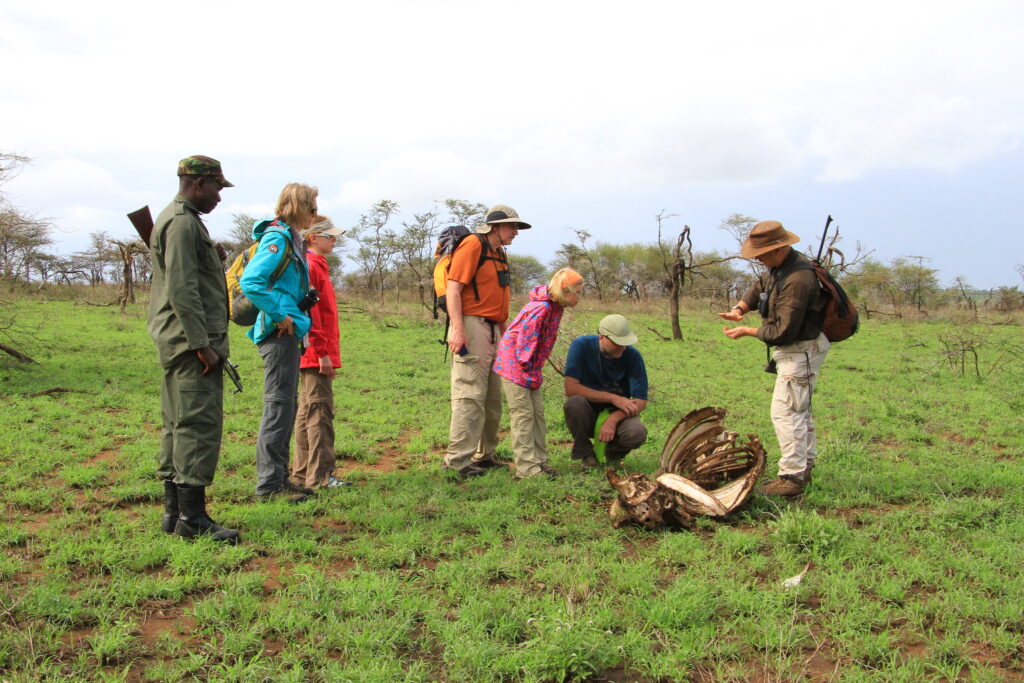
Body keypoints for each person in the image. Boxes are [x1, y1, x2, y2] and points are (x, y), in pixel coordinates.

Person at [147, 155, 239, 543]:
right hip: (190, 344)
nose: (220, 196)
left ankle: (174, 514)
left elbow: (188, 277)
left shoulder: (177, 219)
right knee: (196, 426)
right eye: (217, 187)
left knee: (176, 424)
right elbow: (183, 289)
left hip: (176, 339)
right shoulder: (183, 223)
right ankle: (192, 520)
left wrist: (213, 261)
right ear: (198, 183)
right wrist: (202, 345)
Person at [720, 220, 829, 497]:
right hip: (797, 349)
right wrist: (739, 308)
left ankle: (792, 478)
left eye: (761, 253)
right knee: (799, 409)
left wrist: (748, 330)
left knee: (787, 412)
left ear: (779, 248)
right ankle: (803, 466)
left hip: (800, 349)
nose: (757, 258)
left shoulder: (798, 279)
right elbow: (759, 288)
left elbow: (783, 331)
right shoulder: (779, 268)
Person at [240, 183, 318, 503]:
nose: (315, 213)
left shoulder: (290, 237)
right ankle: (269, 487)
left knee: (286, 407)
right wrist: (280, 315)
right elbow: (251, 282)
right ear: (297, 206)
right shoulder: (277, 238)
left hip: (288, 332)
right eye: (311, 207)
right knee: (278, 406)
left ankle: (278, 480)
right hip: (278, 333)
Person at [443, 204, 528, 478]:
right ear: (495, 226)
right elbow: (453, 290)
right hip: (471, 325)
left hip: (494, 329)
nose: (515, 232)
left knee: (492, 397)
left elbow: (498, 300)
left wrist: (508, 337)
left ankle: (484, 455)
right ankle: (457, 460)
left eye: (516, 227)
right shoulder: (472, 245)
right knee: (470, 395)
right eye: (512, 226)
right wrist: (458, 330)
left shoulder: (499, 253)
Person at [493, 268, 584, 479]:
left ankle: (540, 462)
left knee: (537, 414)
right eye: (577, 292)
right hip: (516, 365)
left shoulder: (555, 307)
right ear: (564, 290)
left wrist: (533, 369)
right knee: (523, 415)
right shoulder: (541, 307)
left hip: (529, 366)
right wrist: (528, 369)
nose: (579, 297)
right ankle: (526, 469)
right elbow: (525, 342)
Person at [291, 215, 351, 490]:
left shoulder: (312, 265)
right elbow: (313, 314)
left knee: (307, 413)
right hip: (316, 352)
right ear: (313, 237)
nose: (334, 240)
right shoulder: (312, 266)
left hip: (311, 351)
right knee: (319, 414)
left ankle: (302, 475)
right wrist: (322, 352)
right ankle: (321, 478)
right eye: (329, 236)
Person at [562, 314, 649, 468]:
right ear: (602, 337)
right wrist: (613, 398)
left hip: (619, 412)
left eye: (625, 343)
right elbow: (571, 388)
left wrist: (614, 418)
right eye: (618, 343)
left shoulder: (633, 356)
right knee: (574, 403)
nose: (623, 347)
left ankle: (610, 454)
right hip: (588, 411)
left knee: (636, 433)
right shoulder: (581, 345)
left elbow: (641, 401)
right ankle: (586, 455)